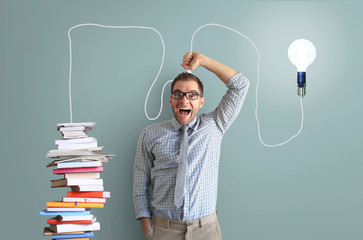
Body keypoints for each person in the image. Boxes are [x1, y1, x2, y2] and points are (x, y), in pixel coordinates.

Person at [133, 52, 250, 240]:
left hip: (207, 230)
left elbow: (240, 85)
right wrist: (149, 232)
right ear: (171, 100)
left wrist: (204, 61)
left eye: (192, 95)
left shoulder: (214, 125)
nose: (184, 100)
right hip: (164, 231)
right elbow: (140, 188)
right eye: (178, 94)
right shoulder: (150, 134)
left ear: (201, 102)